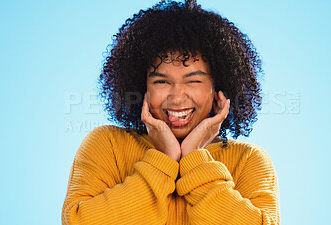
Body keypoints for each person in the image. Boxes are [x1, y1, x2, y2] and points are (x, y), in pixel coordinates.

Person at [62, 0, 280, 224]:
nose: (177, 97)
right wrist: (163, 161)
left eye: (194, 80)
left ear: (218, 89)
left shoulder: (248, 160)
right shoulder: (108, 144)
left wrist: (195, 157)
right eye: (161, 81)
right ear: (142, 87)